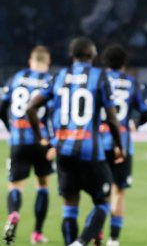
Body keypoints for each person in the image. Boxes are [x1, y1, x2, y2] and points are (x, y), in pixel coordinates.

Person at [25, 37, 125, 246]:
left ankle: (74, 242)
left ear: (72, 55)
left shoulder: (59, 76)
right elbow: (113, 119)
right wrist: (119, 146)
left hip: (64, 151)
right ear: (93, 55)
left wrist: (42, 139)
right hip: (91, 152)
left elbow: (30, 108)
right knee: (102, 204)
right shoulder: (100, 77)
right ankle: (79, 243)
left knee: (69, 207)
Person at [0, 46, 55, 244]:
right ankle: (37, 233)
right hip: (42, 141)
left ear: (30, 61)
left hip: (18, 139)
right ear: (47, 63)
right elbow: (53, 113)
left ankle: (14, 213)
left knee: (15, 185)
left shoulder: (17, 78)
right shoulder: (50, 81)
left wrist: (10, 126)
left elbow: (1, 106)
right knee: (42, 185)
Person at [99, 44, 147, 246]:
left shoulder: (99, 79)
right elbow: (146, 113)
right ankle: (113, 239)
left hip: (99, 143)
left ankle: (97, 232)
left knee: (100, 193)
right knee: (118, 192)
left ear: (104, 62)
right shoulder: (131, 82)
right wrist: (135, 124)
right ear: (124, 64)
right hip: (122, 143)